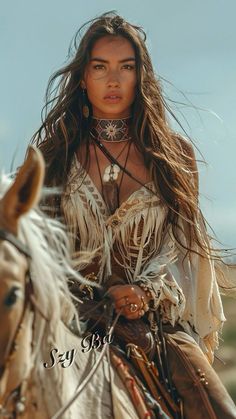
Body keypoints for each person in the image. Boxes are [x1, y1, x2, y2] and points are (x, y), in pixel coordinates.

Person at [31, 12, 236, 418]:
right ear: (83, 77)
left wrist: (147, 293)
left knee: (219, 411)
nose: (113, 81)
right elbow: (33, 253)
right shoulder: (51, 157)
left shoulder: (174, 156)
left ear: (141, 76)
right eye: (100, 67)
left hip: (156, 325)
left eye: (126, 67)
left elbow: (185, 252)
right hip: (71, 325)